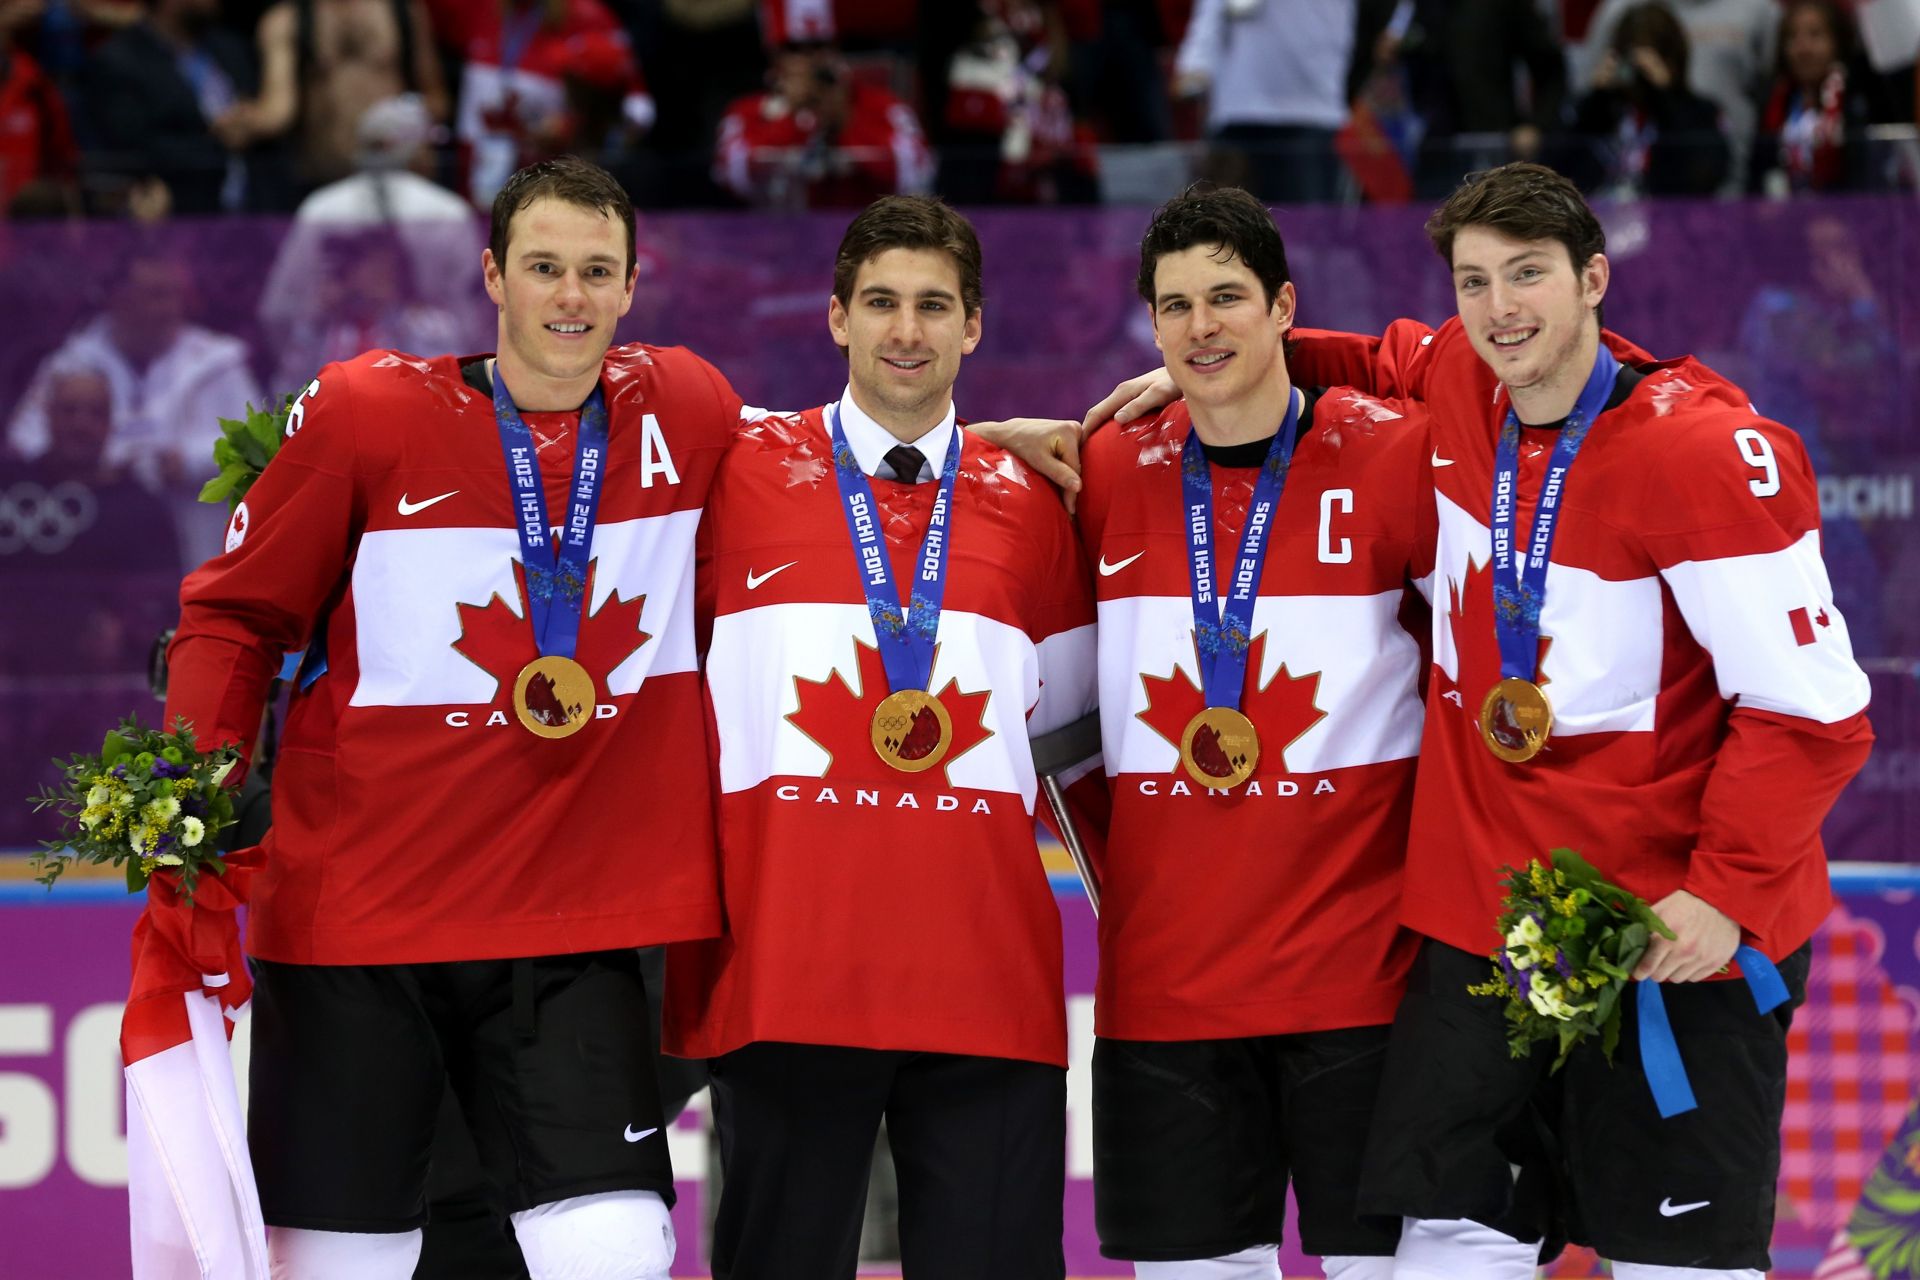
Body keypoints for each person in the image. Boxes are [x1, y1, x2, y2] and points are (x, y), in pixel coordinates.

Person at [1083, 160, 1875, 1280]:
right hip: (1486, 927)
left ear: (1594, 279)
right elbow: (1368, 353)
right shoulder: (1462, 380)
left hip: (1668, 929)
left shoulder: (1702, 455)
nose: (1502, 308)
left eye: (1530, 276)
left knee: (1674, 1260)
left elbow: (1818, 710)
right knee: (1448, 1244)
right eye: (1475, 280)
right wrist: (1216, 368)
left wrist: (1725, 890)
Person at [152, 155, 746, 1280]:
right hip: (361, 923)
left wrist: (1002, 436)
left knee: (615, 1247)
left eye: (596, 271)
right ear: (493, 276)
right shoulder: (367, 412)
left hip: (572, 929)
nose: (569, 296)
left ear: (631, 288)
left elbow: (841, 451)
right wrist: (194, 780)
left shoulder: (688, 405)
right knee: (337, 1261)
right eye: (543, 268)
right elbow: (235, 611)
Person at [663, 194, 1098, 1280]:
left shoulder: (1040, 507)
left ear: (974, 326)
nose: (908, 329)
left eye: (934, 306)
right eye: (883, 303)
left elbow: (1084, 757)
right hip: (784, 971)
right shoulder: (734, 473)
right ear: (836, 317)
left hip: (987, 983)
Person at [1074, 185, 1429, 1280]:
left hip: (1363, 983)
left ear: (1286, 306)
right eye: (1175, 306)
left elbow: (1537, 357)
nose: (1201, 327)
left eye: (1228, 296)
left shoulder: (1397, 454)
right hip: (1169, 990)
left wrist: (1344, 356)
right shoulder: (1099, 469)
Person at [1567, 1, 1731, 197]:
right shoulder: (1601, 110)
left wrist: (1666, 98)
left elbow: (1704, 177)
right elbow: (1559, 170)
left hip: (1671, 222)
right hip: (1603, 220)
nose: (1639, 77)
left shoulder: (1703, 112)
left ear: (1672, 60)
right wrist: (1596, 98)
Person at [1749, 0, 1874, 195]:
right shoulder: (1774, 101)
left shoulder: (1858, 100)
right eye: (1792, 37)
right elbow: (1758, 174)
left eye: (1815, 35)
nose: (1803, 48)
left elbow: (1866, 176)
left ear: (1837, 42)